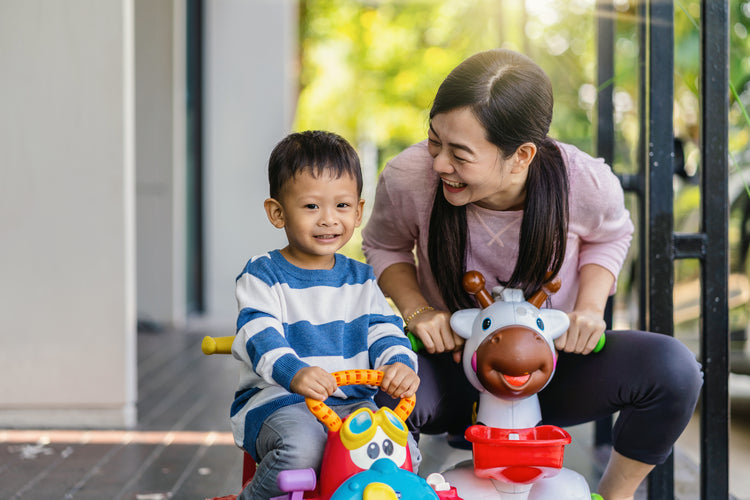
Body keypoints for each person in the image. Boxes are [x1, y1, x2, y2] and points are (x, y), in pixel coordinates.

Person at [362, 49, 702, 500]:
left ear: (521, 155)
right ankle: (407, 492)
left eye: (460, 154)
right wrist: (418, 310)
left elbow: (612, 236)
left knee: (674, 370)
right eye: (434, 140)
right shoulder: (409, 177)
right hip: (452, 371)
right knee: (384, 385)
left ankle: (614, 497)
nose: (441, 163)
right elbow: (383, 244)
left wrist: (588, 309)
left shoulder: (584, 181)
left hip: (548, 375)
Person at [231, 130, 420, 500]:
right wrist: (295, 373)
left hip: (353, 401)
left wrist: (398, 363)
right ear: (277, 212)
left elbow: (385, 330)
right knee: (304, 449)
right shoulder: (263, 273)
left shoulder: (362, 278)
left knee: (403, 451)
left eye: (342, 206)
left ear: (359, 211)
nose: (329, 220)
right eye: (312, 207)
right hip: (280, 400)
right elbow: (259, 334)